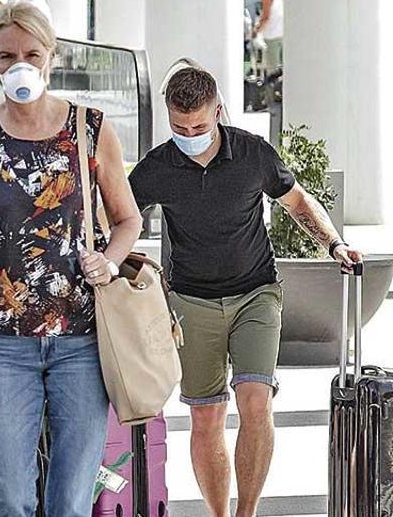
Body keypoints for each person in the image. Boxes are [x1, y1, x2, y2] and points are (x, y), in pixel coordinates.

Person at [0, 3, 142, 516]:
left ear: (50, 57)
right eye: (8, 54)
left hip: (80, 338)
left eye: (32, 53)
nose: (21, 64)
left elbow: (128, 219)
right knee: (9, 497)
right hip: (1, 343)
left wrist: (109, 259)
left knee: (71, 501)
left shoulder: (89, 128)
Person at [129, 66, 361, 517]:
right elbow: (117, 218)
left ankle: (246, 512)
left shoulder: (253, 153)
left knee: (256, 404)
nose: (190, 134)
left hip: (256, 293)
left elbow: (297, 201)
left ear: (218, 110)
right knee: (206, 416)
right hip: (191, 302)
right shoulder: (157, 168)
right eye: (179, 127)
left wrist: (333, 244)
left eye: (199, 126)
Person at [252, 0, 284, 72]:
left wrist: (257, 31)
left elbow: (266, 16)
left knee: (273, 70)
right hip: (284, 33)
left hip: (272, 34)